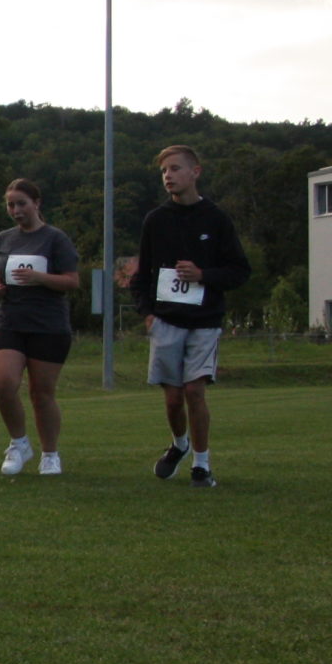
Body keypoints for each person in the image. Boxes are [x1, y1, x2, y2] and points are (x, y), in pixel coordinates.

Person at [116, 146, 251, 489]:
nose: (168, 176)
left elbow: (239, 271)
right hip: (166, 321)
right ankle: (179, 444)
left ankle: (201, 466)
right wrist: (147, 313)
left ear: (195, 172)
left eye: (175, 169)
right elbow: (141, 275)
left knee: (194, 391)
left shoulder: (216, 219)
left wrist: (203, 275)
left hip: (204, 321)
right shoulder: (156, 220)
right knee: (174, 398)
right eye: (164, 171)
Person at [0, 177, 79, 477]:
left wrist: (40, 278)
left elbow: (72, 281)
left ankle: (50, 454)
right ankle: (19, 443)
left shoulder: (55, 239)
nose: (16, 210)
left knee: (41, 394)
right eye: (10, 205)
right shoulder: (3, 239)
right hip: (11, 321)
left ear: (36, 203)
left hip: (48, 325)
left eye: (21, 204)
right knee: (3, 383)